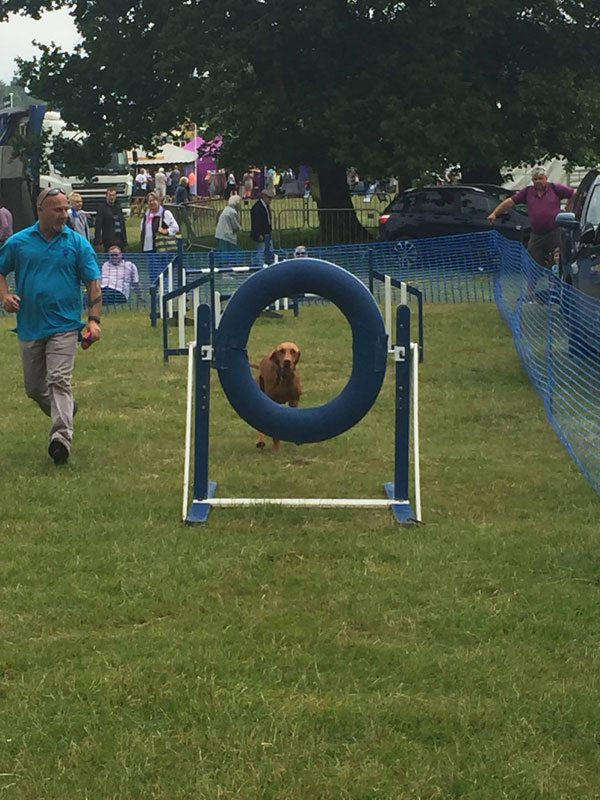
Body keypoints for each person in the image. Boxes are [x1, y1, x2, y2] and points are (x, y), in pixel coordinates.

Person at [0, 187, 102, 466]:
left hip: (65, 325)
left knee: (58, 379)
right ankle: (66, 409)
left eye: (66, 208)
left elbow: (93, 281)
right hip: (30, 325)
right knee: (34, 388)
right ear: (40, 211)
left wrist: (94, 320)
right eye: (57, 209)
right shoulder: (19, 242)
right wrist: (6, 296)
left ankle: (60, 439)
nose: (64, 214)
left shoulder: (77, 243)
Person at [488, 168, 575, 267]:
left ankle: (554, 281)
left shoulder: (555, 188)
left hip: (554, 232)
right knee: (533, 261)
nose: (538, 181)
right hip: (536, 234)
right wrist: (495, 213)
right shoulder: (527, 192)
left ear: (546, 178)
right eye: (535, 179)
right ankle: (533, 282)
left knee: (557, 260)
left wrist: (568, 209)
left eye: (540, 178)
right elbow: (510, 202)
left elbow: (573, 194)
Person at [94, 187, 128, 252]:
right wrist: (97, 241)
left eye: (113, 195)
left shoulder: (118, 208)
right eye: (110, 195)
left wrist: (125, 241)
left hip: (120, 240)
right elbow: (98, 226)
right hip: (108, 241)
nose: (112, 197)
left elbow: (122, 225)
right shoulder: (102, 208)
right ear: (106, 196)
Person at [250, 186, 275, 264]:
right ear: (264, 197)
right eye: (269, 198)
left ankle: (269, 265)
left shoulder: (266, 206)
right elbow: (255, 222)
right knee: (261, 252)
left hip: (267, 233)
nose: (270, 200)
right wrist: (258, 234)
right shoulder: (257, 208)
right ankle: (261, 266)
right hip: (261, 234)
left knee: (270, 251)